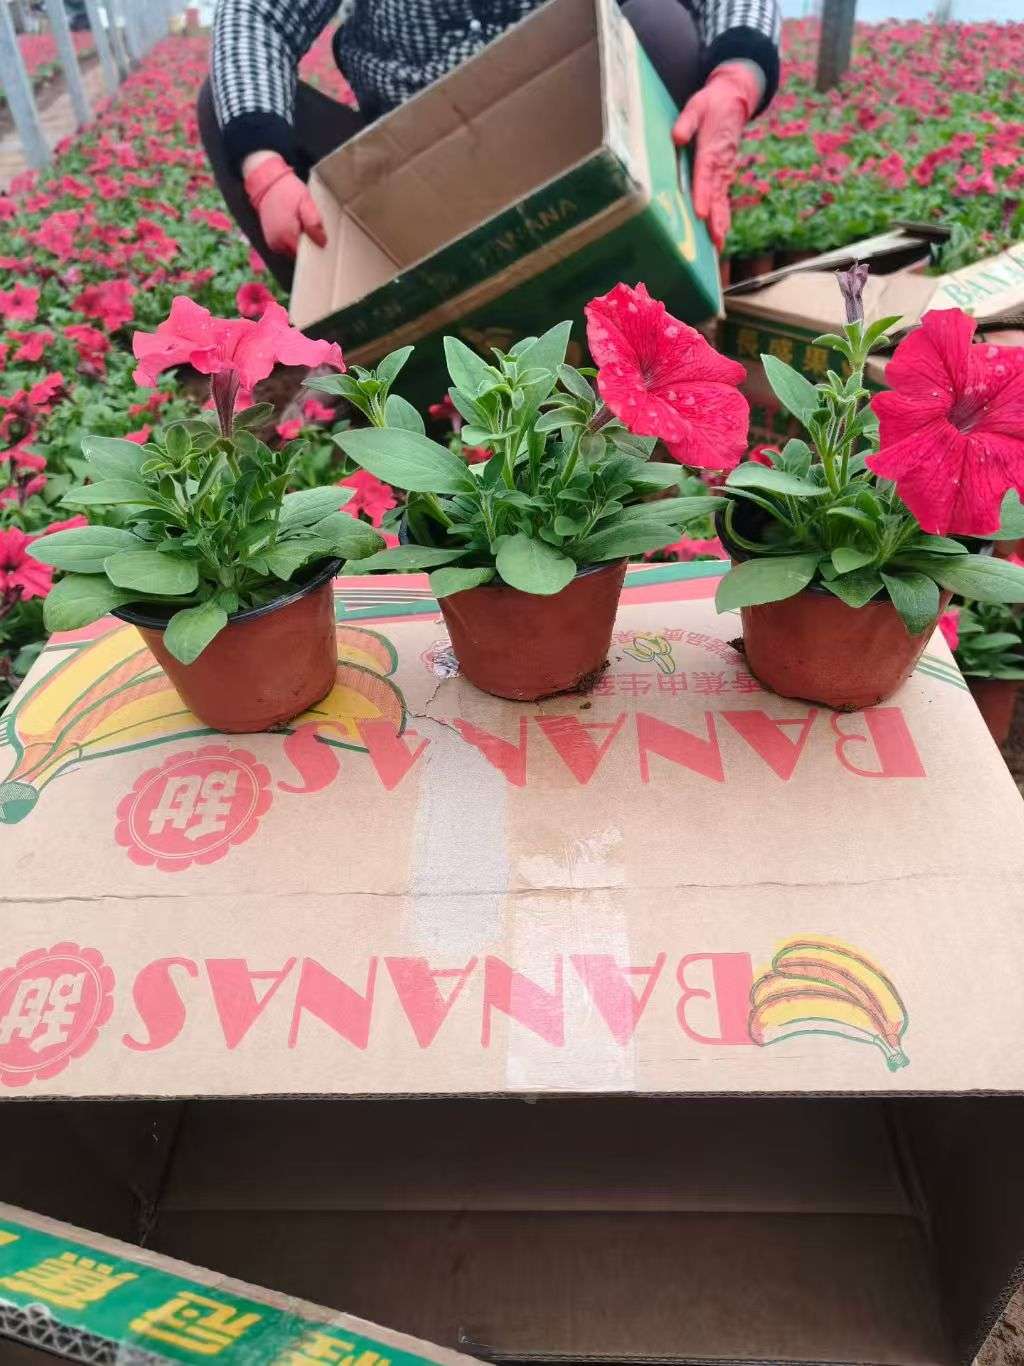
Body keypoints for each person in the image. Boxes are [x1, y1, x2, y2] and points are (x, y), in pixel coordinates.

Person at [200, 0, 780, 291]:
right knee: (236, 113)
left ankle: (643, 310)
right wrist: (265, 168)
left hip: (576, 158)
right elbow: (258, 13)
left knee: (663, 28)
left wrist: (737, 78)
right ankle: (369, 353)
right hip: (406, 171)